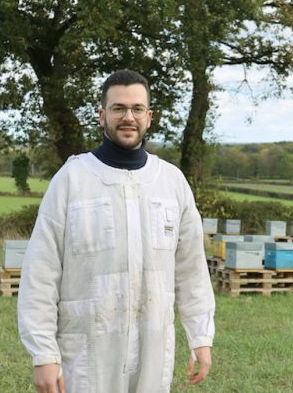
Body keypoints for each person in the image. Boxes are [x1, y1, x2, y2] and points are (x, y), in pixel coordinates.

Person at [18, 69, 215, 393]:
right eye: (118, 108)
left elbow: (191, 268)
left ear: (149, 117)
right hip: (87, 355)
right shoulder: (72, 180)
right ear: (102, 115)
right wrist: (43, 353)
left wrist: (201, 336)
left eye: (137, 109)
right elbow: (41, 271)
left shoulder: (172, 183)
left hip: (153, 350)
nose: (128, 117)